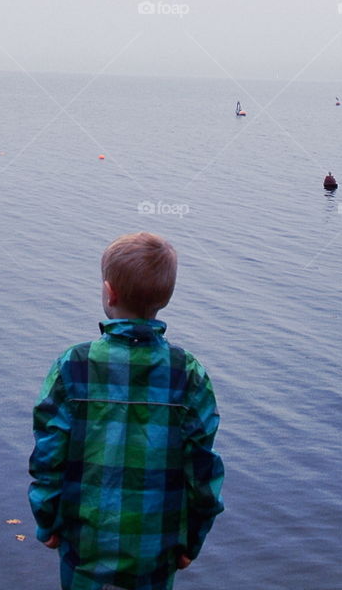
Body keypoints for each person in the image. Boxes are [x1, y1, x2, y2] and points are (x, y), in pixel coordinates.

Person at [29, 232, 224, 589]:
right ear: (166, 298)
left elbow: (48, 454)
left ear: (109, 292)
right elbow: (202, 471)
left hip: (83, 546)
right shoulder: (188, 374)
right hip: (156, 550)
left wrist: (47, 519)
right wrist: (192, 540)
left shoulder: (74, 366)